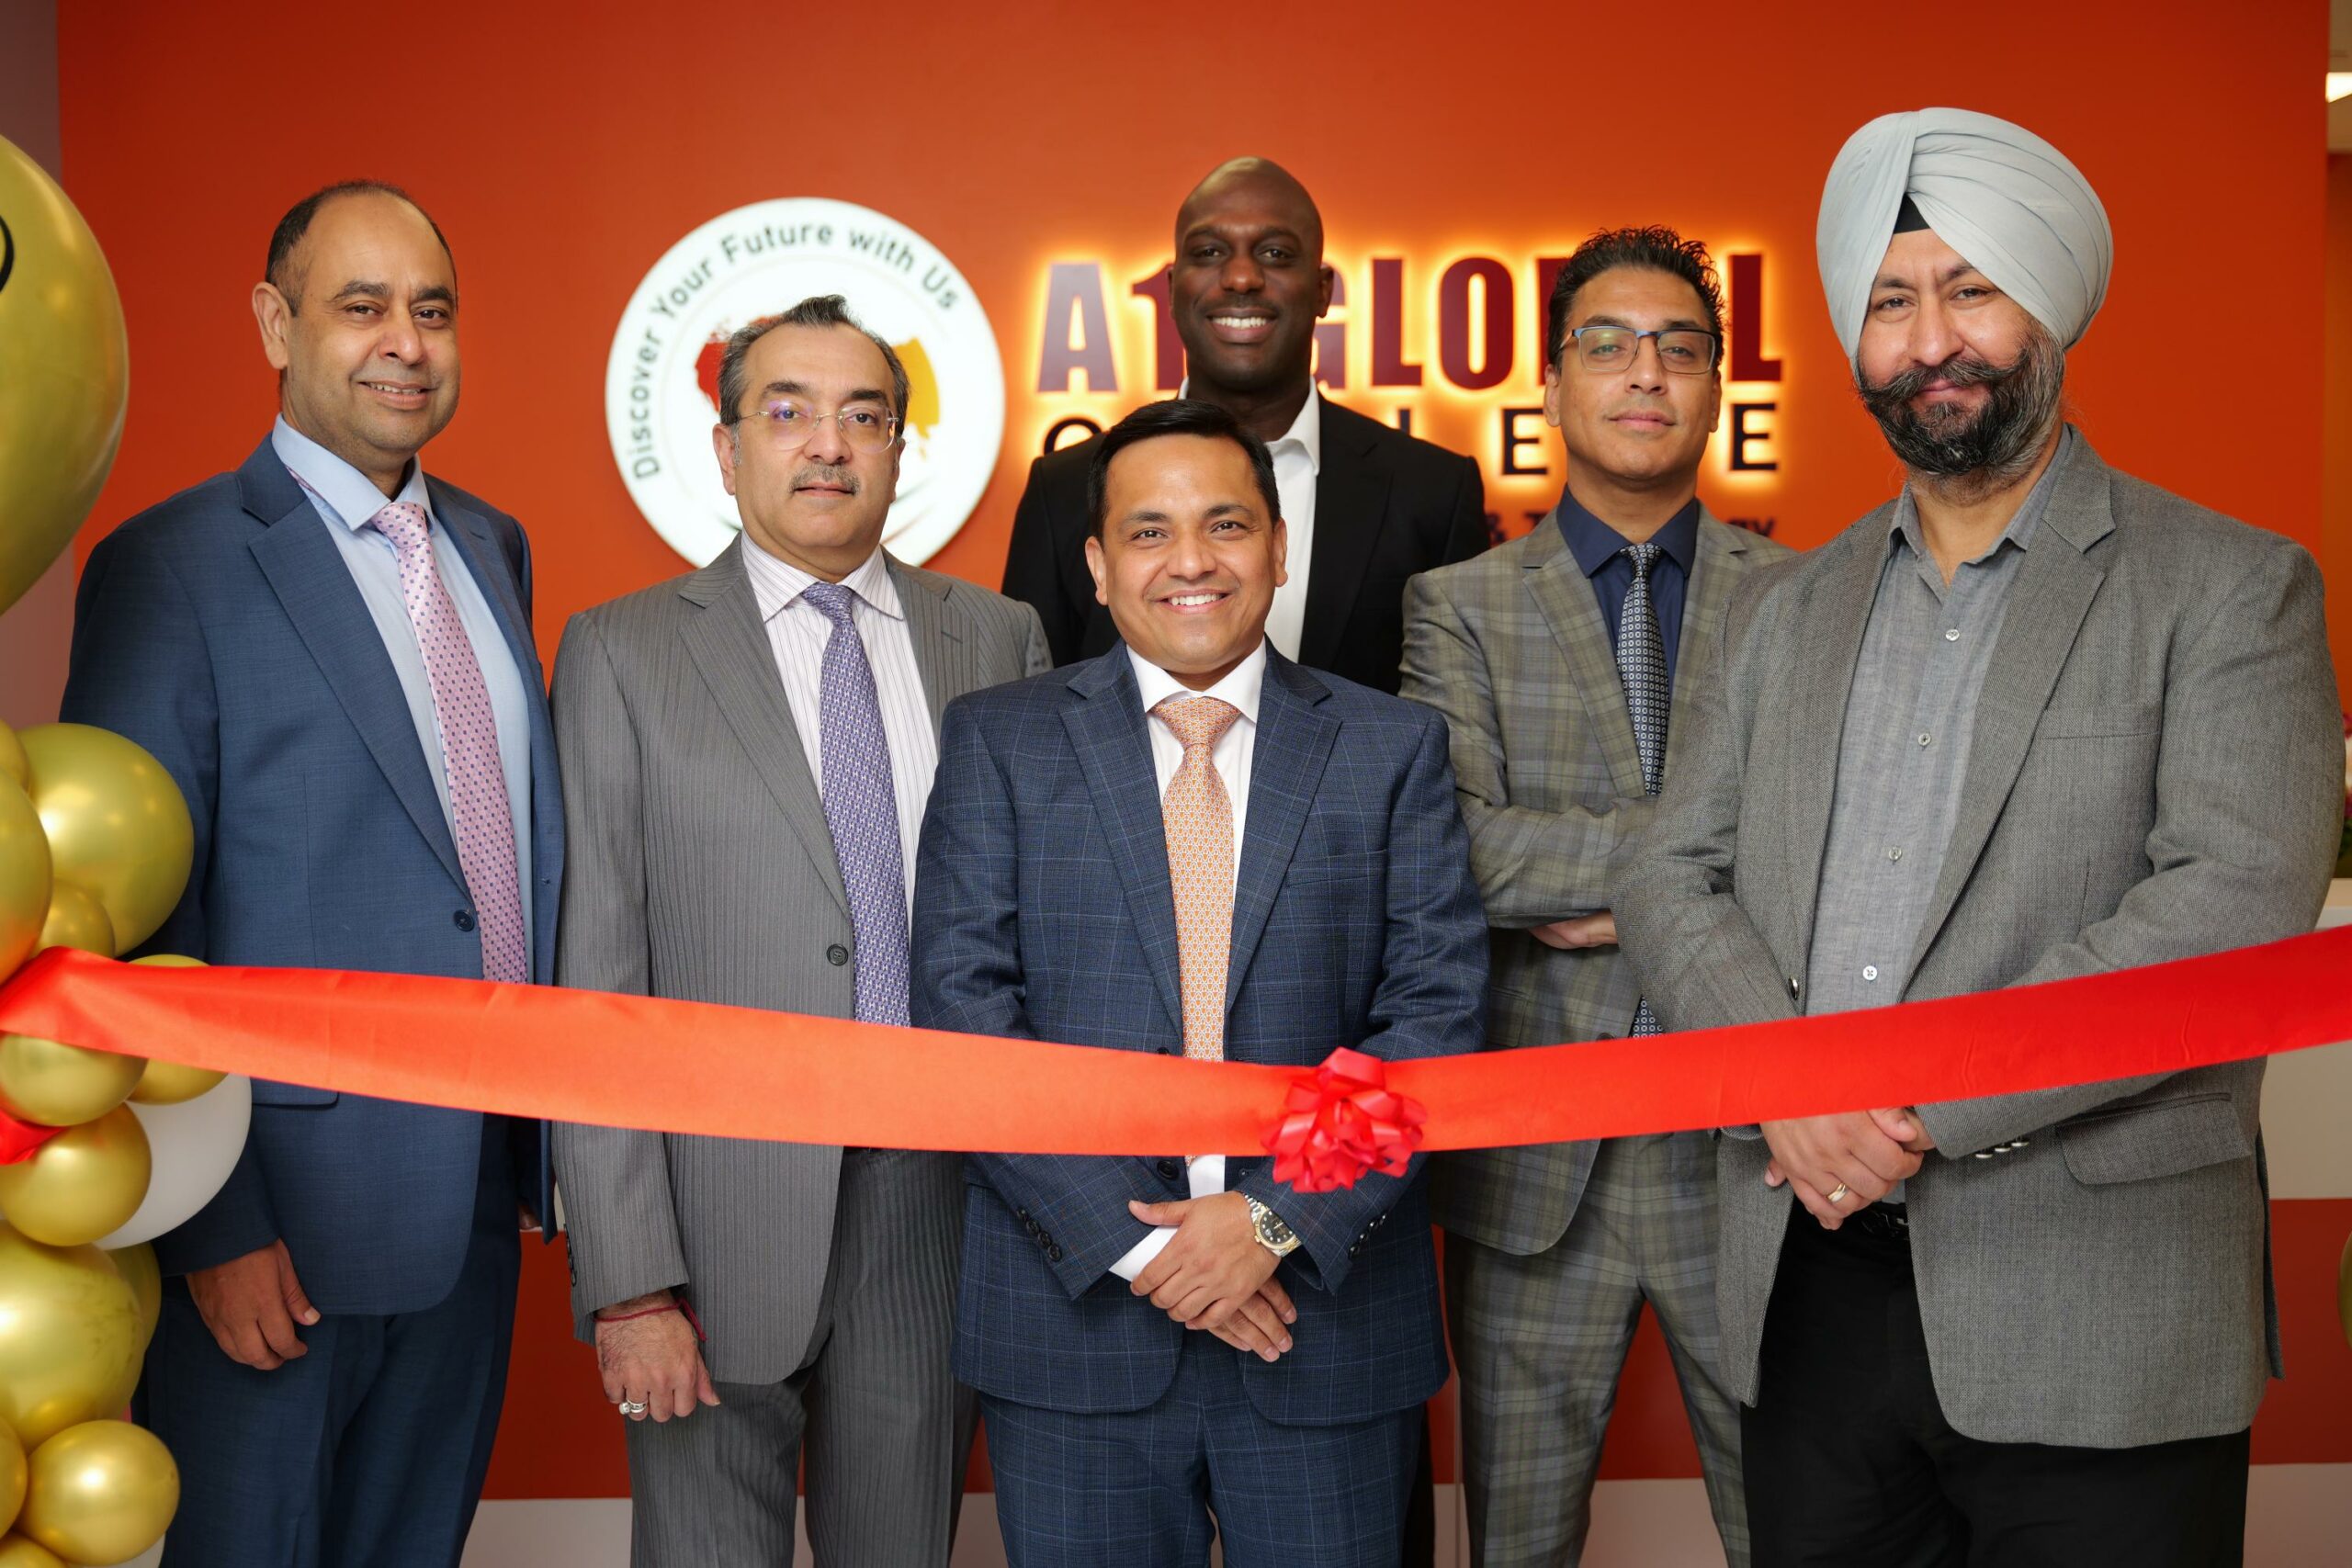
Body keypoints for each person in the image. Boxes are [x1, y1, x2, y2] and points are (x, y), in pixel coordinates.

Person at [1613, 108, 2343, 1566]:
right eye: (1891, 302)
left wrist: (1903, 1104)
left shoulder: (2230, 585)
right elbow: (1665, 866)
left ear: (2050, 309)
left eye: (1973, 289)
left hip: (2097, 1306)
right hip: (1811, 1289)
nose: (1932, 340)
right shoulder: (1784, 610)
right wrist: (1791, 1083)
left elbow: (2231, 902)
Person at [61, 181, 562, 1566]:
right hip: (277, 1217)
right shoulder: (172, 566)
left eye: (432, 310)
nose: (406, 341)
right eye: (361, 306)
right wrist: (212, 1221)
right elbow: (131, 916)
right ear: (276, 326)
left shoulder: (492, 545)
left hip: (478, 1186)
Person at [915, 399, 1487, 1565]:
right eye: (1149, 531)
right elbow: (967, 1020)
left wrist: (1275, 1220)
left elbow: (1431, 1018)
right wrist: (1147, 1252)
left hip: (1323, 1328)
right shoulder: (998, 740)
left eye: (1226, 525)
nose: (1190, 561)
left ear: (1277, 548)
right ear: (1096, 565)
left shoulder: (1392, 747)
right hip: (1076, 1327)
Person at [549, 294, 1047, 1566]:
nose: (828, 443)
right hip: (707, 1227)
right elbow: (595, 980)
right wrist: (629, 1279)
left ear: (898, 451)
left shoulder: (998, 638)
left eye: (863, 416)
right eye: (788, 412)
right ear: (727, 451)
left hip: (936, 1213)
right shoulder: (621, 652)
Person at [1402, 225, 1781, 1567]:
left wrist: (1618, 888)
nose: (1645, 372)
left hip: (1755, 1142)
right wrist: (1701, 868)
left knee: (1797, 1524)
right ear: (1553, 385)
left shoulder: (1805, 596)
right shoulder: (1457, 604)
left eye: (1680, 348)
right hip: (1537, 1154)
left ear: (1716, 387)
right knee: (1516, 1538)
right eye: (1607, 344)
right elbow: (1466, 850)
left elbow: (1817, 851)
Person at [1002, 156, 1488, 696]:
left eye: (1275, 253)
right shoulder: (1063, 489)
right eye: (1209, 252)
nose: (1240, 278)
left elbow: (1455, 711)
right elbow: (1030, 712)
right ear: (1171, 288)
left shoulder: (1433, 492)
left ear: (1323, 289)